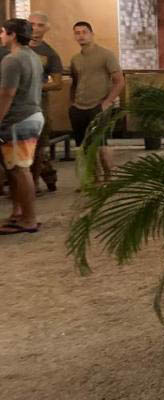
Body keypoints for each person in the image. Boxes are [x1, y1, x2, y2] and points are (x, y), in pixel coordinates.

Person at [0, 19, 44, 234]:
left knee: (20, 169)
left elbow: (7, 93)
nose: (1, 36)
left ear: (13, 35)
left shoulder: (12, 59)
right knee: (15, 169)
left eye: (3, 32)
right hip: (32, 114)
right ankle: (19, 213)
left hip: (19, 118)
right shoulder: (33, 56)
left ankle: (29, 219)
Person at [68, 21, 124, 181]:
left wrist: (107, 102)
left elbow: (119, 81)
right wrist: (72, 104)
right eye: (77, 33)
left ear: (92, 34)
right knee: (84, 146)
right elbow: (74, 83)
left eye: (84, 32)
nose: (81, 36)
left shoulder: (106, 55)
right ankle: (95, 179)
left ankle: (109, 178)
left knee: (101, 144)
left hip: (98, 106)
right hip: (79, 107)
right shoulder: (75, 59)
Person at [29, 12, 63, 192]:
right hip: (12, 105)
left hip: (38, 106)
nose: (35, 28)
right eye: (32, 24)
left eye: (40, 25)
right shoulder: (12, 47)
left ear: (46, 28)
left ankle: (35, 183)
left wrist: (34, 86)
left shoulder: (49, 54)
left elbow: (57, 83)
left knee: (37, 146)